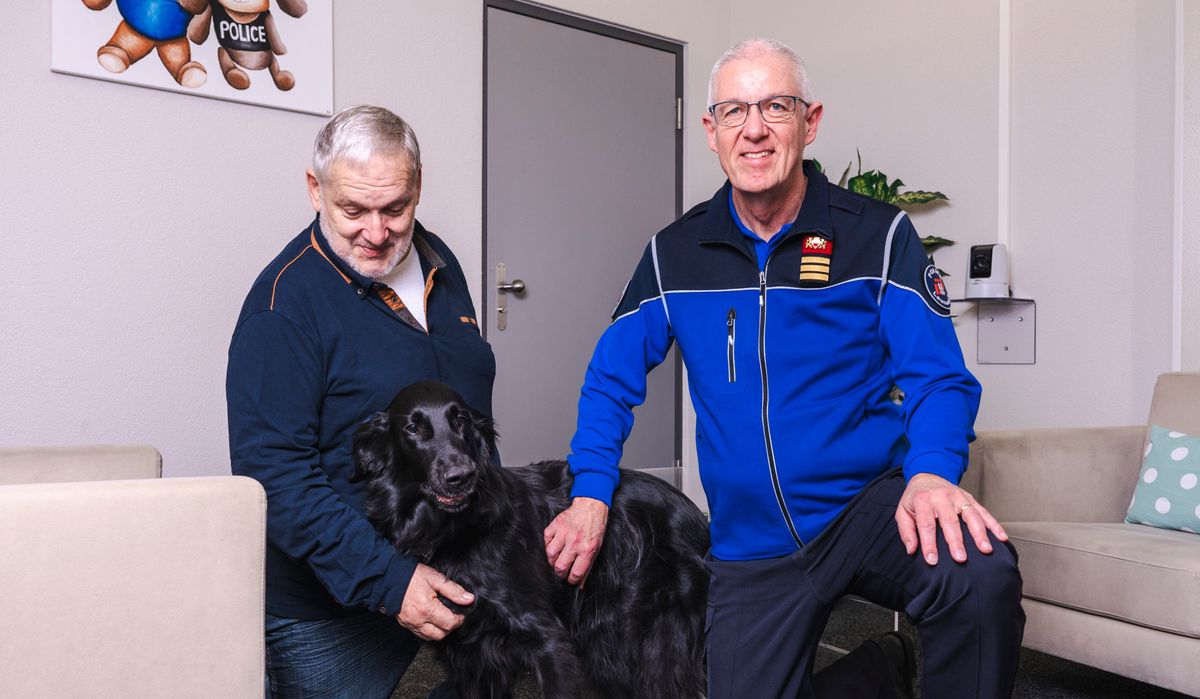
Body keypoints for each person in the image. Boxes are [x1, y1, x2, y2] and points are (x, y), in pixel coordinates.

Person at [544, 39, 1025, 698]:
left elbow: (938, 376)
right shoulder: (674, 253)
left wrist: (934, 475)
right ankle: (879, 669)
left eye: (775, 105)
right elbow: (610, 377)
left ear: (810, 120)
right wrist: (591, 490)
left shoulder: (877, 235)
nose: (756, 127)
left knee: (978, 571)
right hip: (752, 541)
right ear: (711, 131)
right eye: (736, 110)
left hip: (866, 506)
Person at [227, 105, 494, 698]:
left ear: (418, 188)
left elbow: (462, 412)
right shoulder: (283, 307)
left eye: (395, 208)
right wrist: (389, 581)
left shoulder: (438, 261)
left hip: (454, 558)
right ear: (314, 190)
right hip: (335, 601)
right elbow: (275, 474)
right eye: (353, 210)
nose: (377, 233)